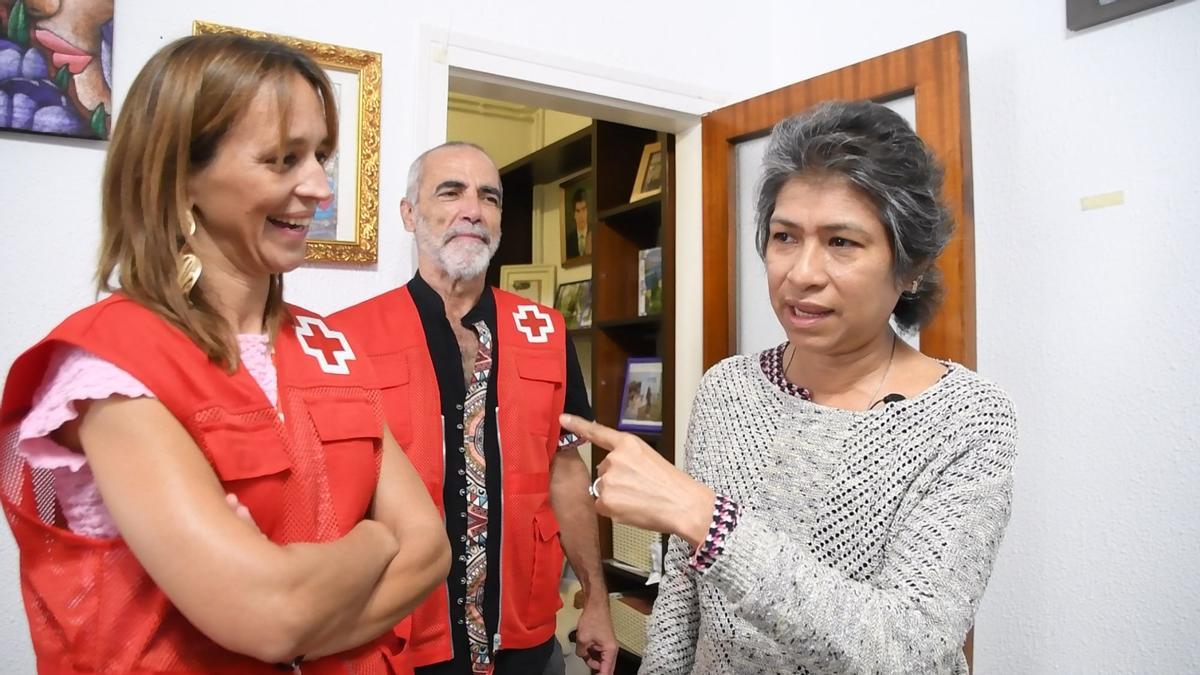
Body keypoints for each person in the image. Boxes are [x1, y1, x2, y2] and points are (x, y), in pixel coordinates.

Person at [0, 34, 450, 673]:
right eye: (282, 159)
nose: (320, 187)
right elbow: (267, 613)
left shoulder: (329, 346)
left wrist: (300, 611)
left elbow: (430, 550)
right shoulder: (111, 367)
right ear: (181, 174)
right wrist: (378, 539)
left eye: (320, 155)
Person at [561, 100, 1019, 674]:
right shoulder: (728, 388)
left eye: (842, 242)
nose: (801, 273)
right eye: (784, 237)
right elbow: (682, 594)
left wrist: (710, 522)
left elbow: (909, 647)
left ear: (912, 266)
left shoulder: (967, 419)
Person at [332, 142, 618, 675]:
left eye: (489, 196)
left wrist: (596, 601)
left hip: (525, 634)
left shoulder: (546, 332)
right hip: (401, 635)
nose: (473, 209)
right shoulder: (348, 337)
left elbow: (565, 471)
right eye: (451, 192)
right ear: (409, 213)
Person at [567, 186, 592, 258]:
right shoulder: (568, 240)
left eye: (584, 209)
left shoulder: (595, 233)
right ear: (574, 214)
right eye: (578, 211)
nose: (581, 216)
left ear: (588, 211)